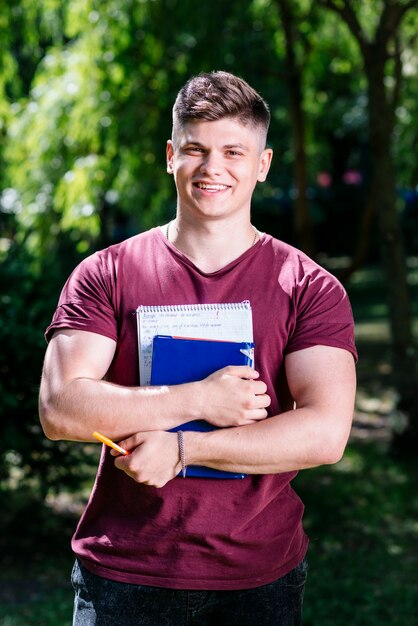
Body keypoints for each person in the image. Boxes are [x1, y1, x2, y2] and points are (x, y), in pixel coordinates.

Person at [39, 71, 357, 625]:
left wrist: (186, 450)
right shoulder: (106, 274)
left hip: (258, 579)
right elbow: (60, 408)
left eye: (234, 151)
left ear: (262, 163)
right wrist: (199, 400)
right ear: (170, 156)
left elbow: (327, 433)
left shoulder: (309, 286)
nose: (213, 168)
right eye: (195, 149)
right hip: (123, 573)